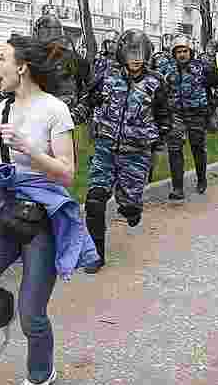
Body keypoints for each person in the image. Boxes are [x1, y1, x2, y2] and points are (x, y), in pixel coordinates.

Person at [0, 35, 99, 385]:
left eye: (1, 59)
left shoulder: (54, 110)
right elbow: (9, 163)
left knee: (32, 311)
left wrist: (30, 149)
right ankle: (0, 315)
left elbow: (67, 173)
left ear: (22, 66)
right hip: (5, 208)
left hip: (43, 215)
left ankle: (41, 372)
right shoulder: (2, 109)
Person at [71, 29, 170, 273]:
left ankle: (131, 208)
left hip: (135, 154)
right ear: (121, 53)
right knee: (94, 201)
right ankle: (95, 255)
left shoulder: (156, 82)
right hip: (105, 149)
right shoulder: (107, 78)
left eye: (140, 53)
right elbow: (88, 101)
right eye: (131, 52)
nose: (136, 58)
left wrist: (159, 140)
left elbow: (164, 116)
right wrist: (70, 119)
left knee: (129, 207)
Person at [164, 34, 218, 200]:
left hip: (196, 113)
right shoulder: (167, 69)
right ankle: (177, 188)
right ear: (174, 53)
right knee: (174, 149)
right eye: (179, 51)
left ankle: (202, 179)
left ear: (190, 51)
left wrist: (212, 104)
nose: (182, 54)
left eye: (185, 50)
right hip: (176, 114)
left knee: (197, 147)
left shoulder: (202, 67)